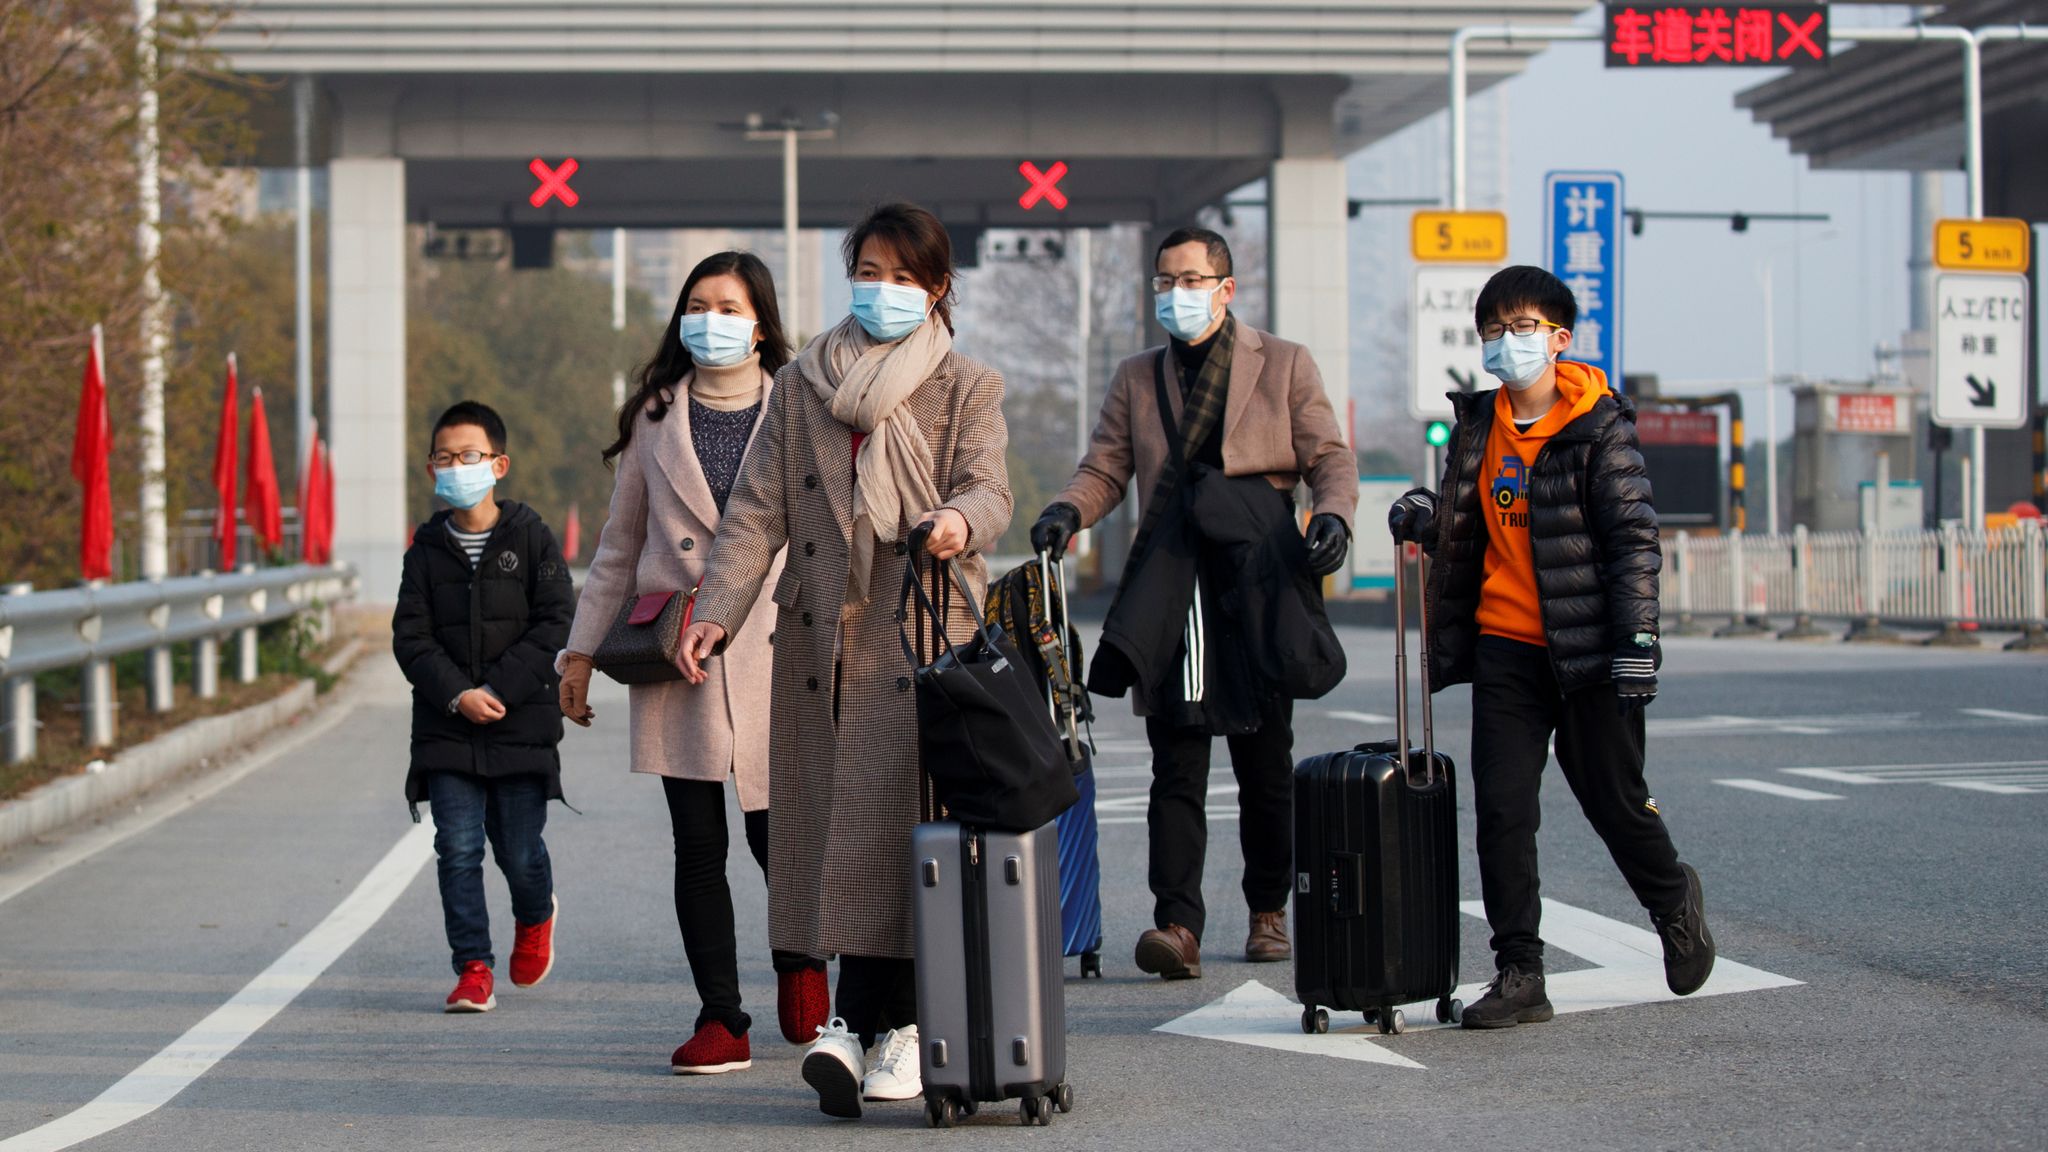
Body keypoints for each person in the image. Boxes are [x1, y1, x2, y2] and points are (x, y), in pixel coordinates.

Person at [675, 202, 1011, 1121]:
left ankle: (884, 1028)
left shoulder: (966, 385)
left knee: (900, 832)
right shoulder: (802, 384)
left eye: (905, 276)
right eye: (869, 269)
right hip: (823, 640)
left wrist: (958, 520)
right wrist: (715, 610)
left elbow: (991, 486)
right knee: (837, 838)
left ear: (937, 289)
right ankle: (867, 1030)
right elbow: (756, 510)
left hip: (921, 634)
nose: (883, 289)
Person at [1385, 264, 1715, 1030]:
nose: (1508, 341)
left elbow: (1634, 538)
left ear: (1560, 338)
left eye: (1523, 326)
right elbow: (1468, 520)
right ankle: (1520, 971)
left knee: (1615, 800)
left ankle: (1673, 901)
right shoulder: (1478, 424)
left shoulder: (1601, 426)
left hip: (1590, 647)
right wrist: (1426, 514)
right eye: (1494, 329)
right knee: (1503, 809)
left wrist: (1639, 639)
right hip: (1507, 647)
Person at [1028, 227, 1355, 981]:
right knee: (1176, 762)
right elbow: (1106, 466)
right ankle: (1177, 924)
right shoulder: (1139, 376)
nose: (1178, 293)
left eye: (1192, 279)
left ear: (1226, 287)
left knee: (1265, 760)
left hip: (1261, 578)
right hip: (1174, 582)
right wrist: (1068, 511)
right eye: (1166, 281)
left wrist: (1333, 515)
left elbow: (1328, 457)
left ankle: (1269, 907)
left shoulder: (1286, 364)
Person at [556, 252, 825, 1076]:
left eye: (729, 305)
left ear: (760, 320)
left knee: (781, 836)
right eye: (697, 304)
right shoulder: (653, 416)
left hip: (780, 647)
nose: (712, 318)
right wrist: (578, 650)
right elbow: (618, 546)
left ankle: (801, 965)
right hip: (679, 652)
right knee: (696, 843)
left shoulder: (803, 402)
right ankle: (720, 1018)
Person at [392, 401, 574, 1014]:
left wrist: (499, 689)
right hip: (446, 729)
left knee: (520, 852)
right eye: (444, 458)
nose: (456, 467)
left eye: (468, 456)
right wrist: (457, 694)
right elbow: (410, 638)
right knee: (459, 848)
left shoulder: (531, 537)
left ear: (497, 464)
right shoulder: (423, 551)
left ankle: (534, 913)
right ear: (430, 470)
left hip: (519, 723)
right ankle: (472, 967)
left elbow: (556, 622)